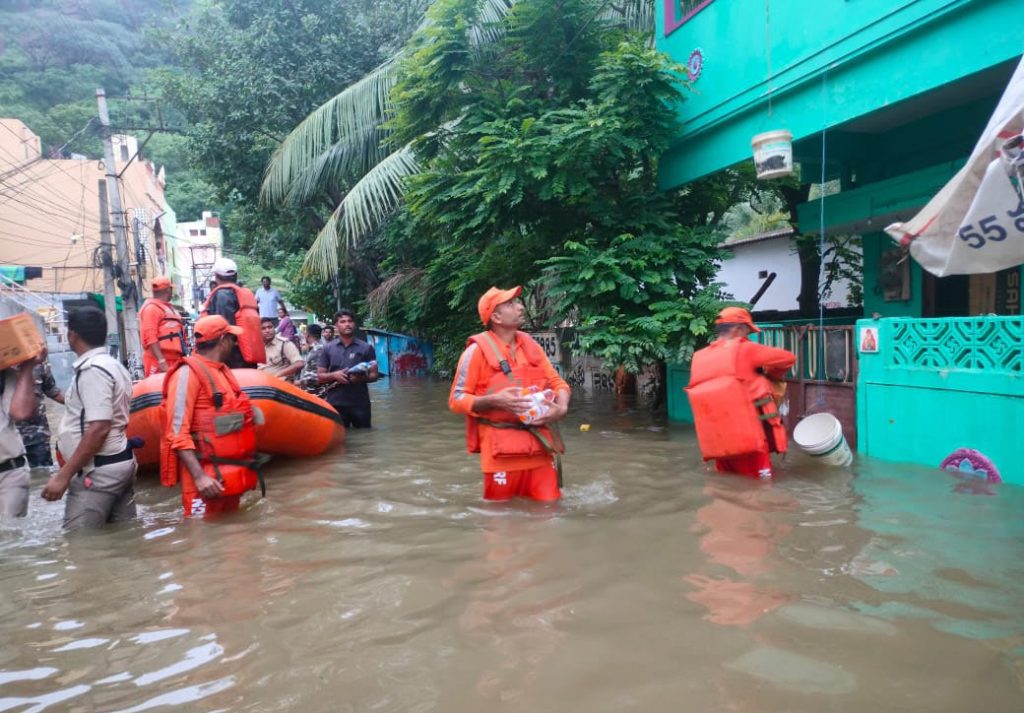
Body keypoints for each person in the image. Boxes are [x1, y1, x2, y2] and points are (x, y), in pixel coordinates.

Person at [449, 286, 570, 502]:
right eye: (510, 304)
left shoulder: (531, 346)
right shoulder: (474, 352)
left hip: (540, 450)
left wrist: (561, 409)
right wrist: (495, 400)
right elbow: (456, 400)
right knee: (501, 525)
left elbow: (558, 383)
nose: (520, 307)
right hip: (500, 456)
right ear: (495, 316)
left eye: (518, 302)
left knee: (552, 515)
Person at [43, 307, 137, 529]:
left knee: (80, 547)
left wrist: (64, 475)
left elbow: (99, 428)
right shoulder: (113, 365)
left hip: (99, 471)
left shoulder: (93, 370)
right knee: (124, 538)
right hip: (119, 463)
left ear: (72, 335)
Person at [161, 315, 264, 517]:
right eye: (232, 339)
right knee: (203, 540)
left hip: (230, 476)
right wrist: (200, 478)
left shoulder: (223, 372)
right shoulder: (187, 374)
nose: (234, 344)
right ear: (223, 340)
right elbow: (177, 433)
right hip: (205, 480)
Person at [686, 306, 796, 480]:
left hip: (719, 444)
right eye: (747, 331)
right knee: (762, 491)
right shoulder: (745, 349)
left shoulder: (700, 357)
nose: (747, 336)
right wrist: (769, 376)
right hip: (750, 440)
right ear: (738, 329)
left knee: (727, 486)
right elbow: (789, 358)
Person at [317, 310, 379, 428]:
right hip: (335, 403)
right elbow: (320, 377)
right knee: (339, 439)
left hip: (360, 403)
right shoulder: (328, 349)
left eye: (350, 321)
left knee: (364, 438)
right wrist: (335, 375)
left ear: (354, 324)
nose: (347, 324)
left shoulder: (366, 348)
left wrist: (360, 379)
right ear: (336, 326)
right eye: (343, 322)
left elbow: (374, 375)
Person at [201, 257, 265, 368]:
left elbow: (223, 329)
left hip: (232, 359)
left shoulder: (222, 295)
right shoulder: (244, 294)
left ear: (216, 277)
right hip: (246, 356)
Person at [0, 350, 41, 517]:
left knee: (10, 538)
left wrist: (27, 368)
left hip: (7, 475)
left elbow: (21, 413)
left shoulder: (4, 375)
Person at [15, 353, 64, 472]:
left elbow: (53, 391)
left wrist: (79, 404)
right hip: (8, 440)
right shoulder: (4, 369)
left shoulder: (39, 366)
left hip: (38, 436)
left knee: (42, 476)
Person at [139, 276, 186, 376]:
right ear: (169, 290)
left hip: (175, 360)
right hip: (158, 362)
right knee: (157, 390)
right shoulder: (151, 309)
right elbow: (150, 337)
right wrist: (161, 361)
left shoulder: (169, 309)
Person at [258, 317, 304, 381]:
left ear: (274, 328)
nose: (267, 330)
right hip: (261, 384)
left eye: (270, 327)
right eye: (263, 328)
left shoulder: (284, 344)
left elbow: (299, 363)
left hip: (280, 385)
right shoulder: (257, 346)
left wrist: (277, 375)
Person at [299, 324, 328, 398]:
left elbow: (314, 373)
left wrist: (300, 381)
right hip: (315, 389)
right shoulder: (317, 348)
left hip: (315, 391)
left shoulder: (317, 350)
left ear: (307, 335)